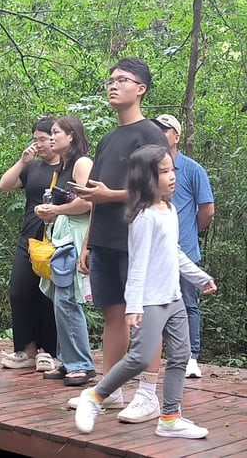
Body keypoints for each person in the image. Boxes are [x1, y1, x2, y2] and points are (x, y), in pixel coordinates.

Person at [75, 144, 217, 439]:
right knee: (139, 357)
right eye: (164, 172)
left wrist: (200, 278)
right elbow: (137, 265)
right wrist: (134, 306)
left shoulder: (170, 209)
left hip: (173, 297)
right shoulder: (143, 218)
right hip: (150, 301)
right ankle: (95, 398)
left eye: (171, 170)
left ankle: (169, 418)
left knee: (180, 356)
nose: (172, 176)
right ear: (146, 179)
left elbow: (174, 253)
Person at [69, 57, 170, 422]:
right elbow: (96, 194)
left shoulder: (151, 135)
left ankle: (147, 393)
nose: (114, 85)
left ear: (140, 88)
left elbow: (161, 189)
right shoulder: (109, 138)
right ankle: (108, 390)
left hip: (139, 240)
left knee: (140, 317)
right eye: (111, 79)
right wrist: (87, 242)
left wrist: (111, 195)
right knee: (112, 313)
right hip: (105, 240)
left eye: (123, 80)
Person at [34, 116, 95, 386]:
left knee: (68, 301)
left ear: (71, 136)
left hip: (74, 238)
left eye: (56, 132)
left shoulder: (82, 163)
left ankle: (82, 364)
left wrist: (57, 210)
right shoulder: (63, 166)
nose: (51, 137)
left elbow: (88, 201)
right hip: (61, 235)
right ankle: (67, 360)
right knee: (59, 301)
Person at [153, 114, 215, 378]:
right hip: (154, 249)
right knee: (153, 304)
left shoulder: (192, 170)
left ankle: (191, 357)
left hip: (184, 249)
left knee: (188, 303)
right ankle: (153, 358)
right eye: (157, 130)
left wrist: (191, 231)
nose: (160, 134)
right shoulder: (147, 168)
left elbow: (207, 210)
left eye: (165, 131)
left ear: (176, 136)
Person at [0, 117, 60, 372]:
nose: (38, 144)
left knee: (47, 295)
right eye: (35, 140)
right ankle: (26, 349)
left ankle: (48, 351)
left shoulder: (68, 167)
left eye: (42, 139)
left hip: (55, 238)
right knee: (20, 291)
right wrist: (23, 161)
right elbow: (4, 185)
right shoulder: (32, 167)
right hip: (29, 237)